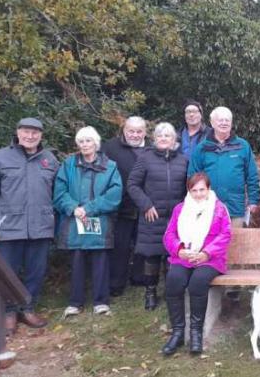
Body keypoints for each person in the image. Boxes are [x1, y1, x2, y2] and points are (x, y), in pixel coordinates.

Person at [0, 117, 59, 334]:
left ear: (41, 135)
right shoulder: (0, 158)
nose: (30, 136)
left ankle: (28, 308)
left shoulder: (49, 160)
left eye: (35, 133)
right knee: (7, 273)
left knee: (36, 271)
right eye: (26, 132)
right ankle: (9, 312)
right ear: (18, 132)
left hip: (41, 227)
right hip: (8, 228)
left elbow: (58, 194)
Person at [54, 126, 122, 317]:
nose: (85, 145)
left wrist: (90, 208)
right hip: (75, 220)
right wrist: (73, 207)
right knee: (76, 260)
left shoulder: (110, 166)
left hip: (99, 219)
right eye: (81, 141)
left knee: (100, 260)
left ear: (96, 143)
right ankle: (75, 302)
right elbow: (59, 191)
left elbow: (115, 194)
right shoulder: (68, 164)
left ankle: (101, 302)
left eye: (88, 141)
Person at [161, 173, 232, 356]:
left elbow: (225, 235)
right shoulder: (180, 209)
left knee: (198, 282)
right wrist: (180, 250)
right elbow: (169, 235)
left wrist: (206, 253)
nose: (199, 194)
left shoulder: (219, 209)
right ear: (189, 191)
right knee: (174, 280)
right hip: (184, 256)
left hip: (210, 259)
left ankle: (196, 334)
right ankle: (177, 332)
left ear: (208, 189)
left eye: (202, 190)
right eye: (194, 190)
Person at [127, 123, 189, 310]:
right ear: (154, 139)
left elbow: (189, 187)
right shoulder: (145, 158)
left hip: (176, 219)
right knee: (152, 256)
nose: (163, 138)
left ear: (174, 140)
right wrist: (146, 205)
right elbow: (133, 184)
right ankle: (150, 292)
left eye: (167, 136)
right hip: (152, 216)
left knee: (173, 256)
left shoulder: (184, 160)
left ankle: (172, 292)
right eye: (160, 136)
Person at [188, 106, 260, 227]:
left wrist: (254, 200)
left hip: (236, 209)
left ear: (231, 123)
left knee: (236, 243)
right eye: (220, 120)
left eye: (227, 120)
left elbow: (252, 176)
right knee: (210, 244)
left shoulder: (242, 146)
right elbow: (192, 178)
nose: (224, 123)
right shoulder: (202, 148)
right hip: (208, 209)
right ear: (212, 122)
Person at [102, 116, 147, 296]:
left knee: (141, 245)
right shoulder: (110, 147)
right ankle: (116, 284)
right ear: (124, 130)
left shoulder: (152, 148)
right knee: (119, 246)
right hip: (120, 207)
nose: (135, 135)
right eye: (131, 131)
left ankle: (139, 278)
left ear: (145, 132)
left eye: (139, 131)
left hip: (145, 206)